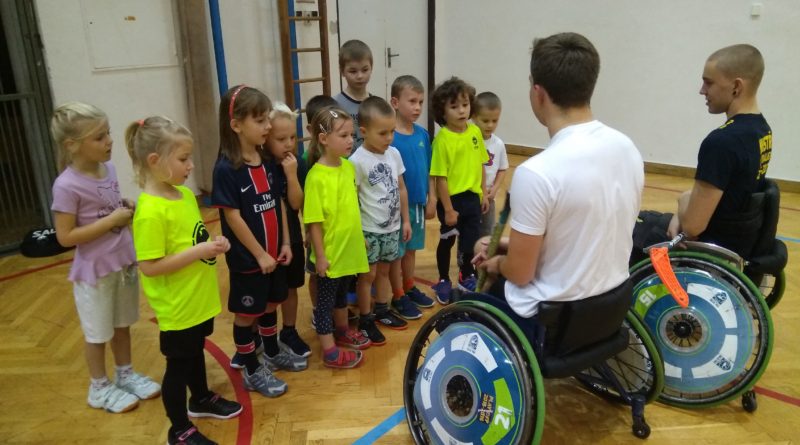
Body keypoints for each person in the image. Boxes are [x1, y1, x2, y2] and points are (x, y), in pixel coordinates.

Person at [474, 32, 644, 321]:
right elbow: (582, 237)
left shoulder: (536, 173)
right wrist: (510, 245)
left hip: (555, 317)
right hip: (612, 303)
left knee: (480, 288)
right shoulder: (628, 148)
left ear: (538, 93)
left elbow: (520, 273)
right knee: (489, 247)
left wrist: (498, 263)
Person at [127, 116, 242, 445]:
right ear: (154, 161)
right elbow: (150, 266)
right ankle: (178, 429)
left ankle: (201, 398)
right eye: (183, 159)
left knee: (194, 351)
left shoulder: (185, 196)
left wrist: (214, 244)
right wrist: (200, 251)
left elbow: (193, 240)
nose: (191, 165)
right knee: (178, 365)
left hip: (198, 298)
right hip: (177, 305)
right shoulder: (150, 211)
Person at [51, 102, 160, 414]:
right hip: (95, 272)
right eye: (99, 137)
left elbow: (103, 208)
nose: (109, 141)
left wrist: (122, 207)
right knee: (98, 333)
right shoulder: (66, 185)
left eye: (108, 133)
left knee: (122, 324)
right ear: (72, 145)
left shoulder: (108, 169)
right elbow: (65, 236)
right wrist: (112, 220)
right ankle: (98, 387)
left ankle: (125, 373)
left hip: (122, 263)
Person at [211, 85, 302, 402]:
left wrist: (286, 243)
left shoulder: (265, 160)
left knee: (272, 303)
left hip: (275, 253)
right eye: (260, 120)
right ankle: (251, 368)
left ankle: (273, 351)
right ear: (236, 125)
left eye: (267, 119)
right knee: (247, 314)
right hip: (250, 260)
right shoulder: (227, 168)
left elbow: (278, 204)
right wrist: (260, 254)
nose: (267, 126)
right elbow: (233, 217)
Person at [664, 44, 772, 258]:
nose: (702, 90)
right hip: (736, 238)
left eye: (709, 82)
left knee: (635, 228)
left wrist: (682, 201)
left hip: (710, 246)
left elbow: (692, 227)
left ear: (736, 87)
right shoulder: (762, 130)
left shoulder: (722, 142)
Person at [304, 106, 371, 368]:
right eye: (343, 136)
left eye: (351, 135)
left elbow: (351, 206)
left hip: (349, 250)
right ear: (324, 139)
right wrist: (320, 256)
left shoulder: (348, 167)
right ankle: (329, 350)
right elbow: (314, 222)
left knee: (342, 295)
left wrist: (359, 237)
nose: (350, 140)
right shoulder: (315, 177)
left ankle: (343, 331)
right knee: (325, 304)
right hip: (331, 255)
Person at [350, 97, 414, 345]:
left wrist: (405, 221)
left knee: (385, 271)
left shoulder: (394, 154)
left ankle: (381, 309)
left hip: (392, 227)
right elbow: (353, 200)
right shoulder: (357, 161)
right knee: (368, 276)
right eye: (383, 133)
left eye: (391, 131)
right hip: (369, 230)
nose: (389, 138)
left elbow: (402, 189)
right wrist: (358, 232)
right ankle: (365, 319)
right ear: (364, 131)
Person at [429, 77, 489, 305]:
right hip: (451, 201)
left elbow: (481, 164)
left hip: (472, 198)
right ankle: (443, 279)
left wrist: (483, 192)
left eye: (465, 104)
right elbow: (440, 178)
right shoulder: (442, 140)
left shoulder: (475, 132)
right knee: (448, 241)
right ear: (442, 112)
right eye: (454, 106)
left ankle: (466, 274)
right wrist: (448, 209)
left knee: (469, 240)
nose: (462, 110)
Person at [266, 102, 312, 359]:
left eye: (292, 137)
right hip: (268, 239)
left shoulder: (296, 164)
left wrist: (292, 175)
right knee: (270, 291)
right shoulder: (261, 165)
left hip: (292, 237)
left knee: (292, 287)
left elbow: (296, 204)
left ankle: (289, 330)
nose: (288, 144)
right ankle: (261, 336)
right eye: (281, 139)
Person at [389, 75, 437, 310]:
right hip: (396, 207)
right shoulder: (389, 137)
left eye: (420, 102)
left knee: (411, 250)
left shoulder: (422, 135)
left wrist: (432, 198)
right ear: (395, 103)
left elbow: (429, 170)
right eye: (412, 101)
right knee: (397, 252)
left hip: (418, 205)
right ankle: (397, 294)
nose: (417, 107)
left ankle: (408, 287)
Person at [472, 92, 509, 236]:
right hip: (470, 195)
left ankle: (485, 251)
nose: (490, 125)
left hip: (489, 196)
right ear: (474, 117)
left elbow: (502, 169)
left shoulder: (498, 144)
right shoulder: (468, 140)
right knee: (468, 230)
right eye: (485, 120)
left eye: (495, 121)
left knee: (488, 230)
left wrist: (494, 188)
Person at [335, 39, 373, 150]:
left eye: (365, 70)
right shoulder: (334, 105)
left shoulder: (376, 104)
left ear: (371, 68)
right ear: (342, 71)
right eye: (353, 71)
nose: (360, 76)